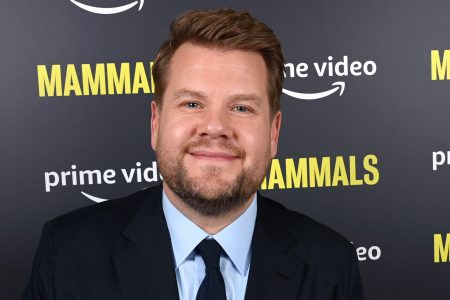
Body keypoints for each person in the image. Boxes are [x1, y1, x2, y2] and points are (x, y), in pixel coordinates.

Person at [22, 9, 363, 300]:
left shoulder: (332, 265)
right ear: (155, 123)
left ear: (274, 133)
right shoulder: (67, 252)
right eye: (192, 103)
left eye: (242, 107)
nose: (215, 126)